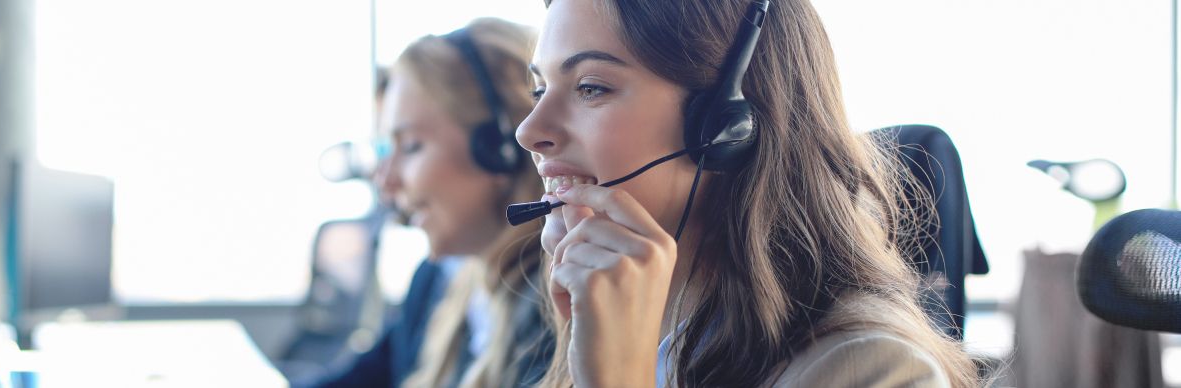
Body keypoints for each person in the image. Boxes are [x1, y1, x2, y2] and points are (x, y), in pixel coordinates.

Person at [516, 0, 981, 387]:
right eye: (539, 90)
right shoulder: (612, 334)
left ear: (725, 128)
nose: (529, 131)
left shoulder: (874, 371)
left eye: (590, 87)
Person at [312, 18, 551, 388]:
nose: (385, 180)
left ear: (498, 148)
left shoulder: (560, 309)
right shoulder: (439, 281)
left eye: (410, 146)